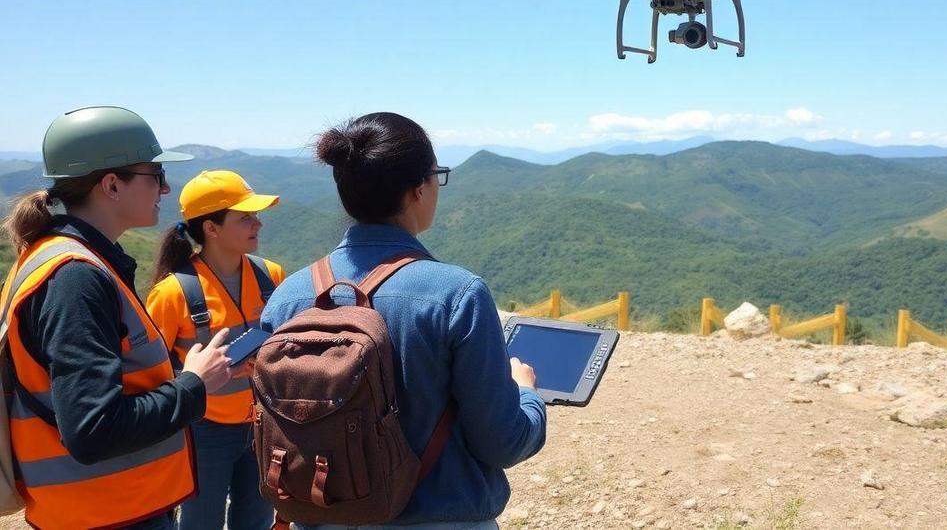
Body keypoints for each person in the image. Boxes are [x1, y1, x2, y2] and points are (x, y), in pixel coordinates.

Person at [260, 112, 546, 529]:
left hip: (319, 516)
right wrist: (527, 396)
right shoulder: (457, 294)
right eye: (436, 176)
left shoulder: (288, 296)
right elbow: (502, 442)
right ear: (418, 190)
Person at [0, 106, 236, 529]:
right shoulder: (75, 279)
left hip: (101, 509)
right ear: (111, 184)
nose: (164, 189)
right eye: (155, 176)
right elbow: (94, 430)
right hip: (108, 514)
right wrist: (193, 384)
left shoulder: (58, 260)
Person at [146, 170, 285, 530]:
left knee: (256, 521)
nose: (258, 224)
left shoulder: (272, 275)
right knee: (200, 523)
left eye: (256, 216)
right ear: (211, 228)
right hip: (202, 432)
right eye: (245, 218)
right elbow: (149, 377)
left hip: (261, 424)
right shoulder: (172, 293)